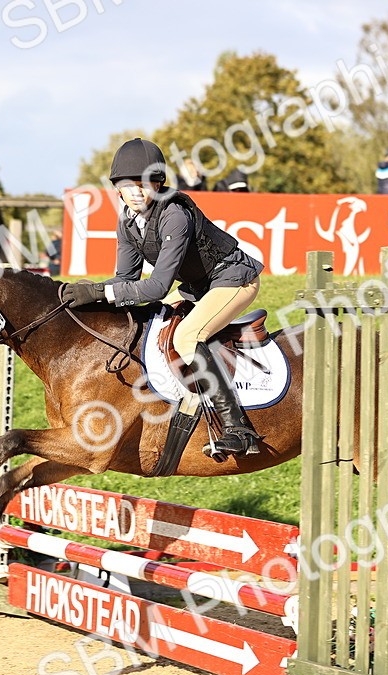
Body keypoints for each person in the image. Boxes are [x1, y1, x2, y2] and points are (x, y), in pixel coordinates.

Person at [60, 138, 265, 457]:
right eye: (129, 184)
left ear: (159, 184)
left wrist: (101, 292)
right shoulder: (127, 221)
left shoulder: (174, 215)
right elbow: (126, 280)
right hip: (200, 287)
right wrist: (91, 296)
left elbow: (156, 287)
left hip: (234, 278)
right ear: (117, 188)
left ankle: (239, 429)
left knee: (186, 337)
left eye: (147, 183)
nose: (138, 191)